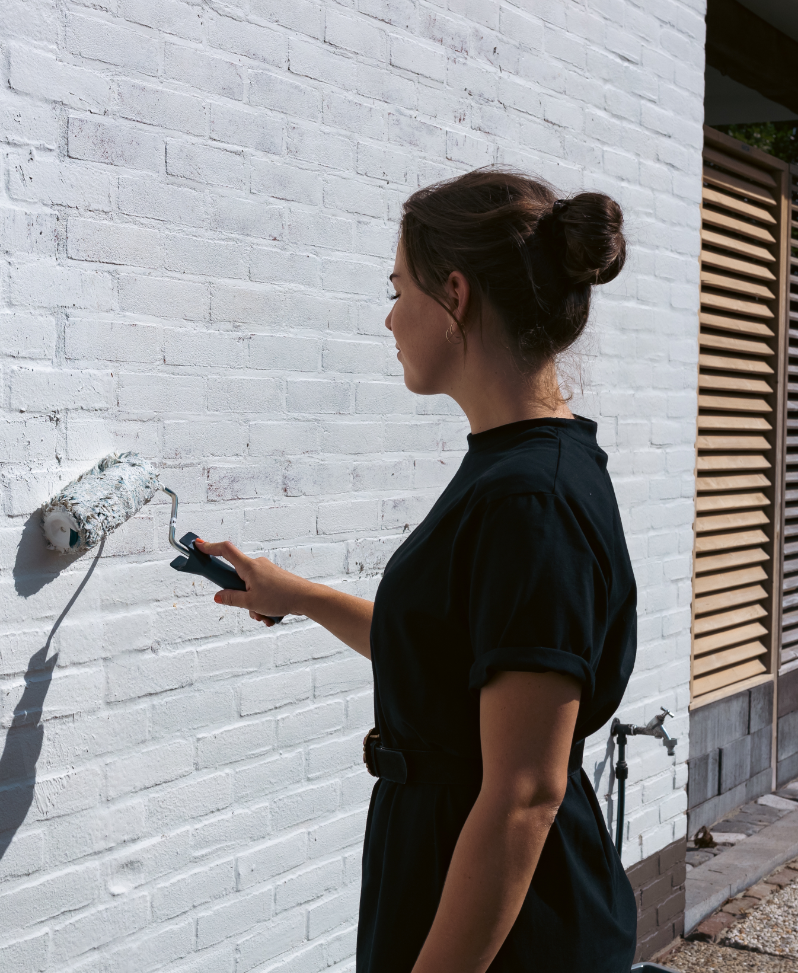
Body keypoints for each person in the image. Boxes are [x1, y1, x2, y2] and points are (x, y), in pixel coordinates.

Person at [194, 167, 640, 972]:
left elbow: (522, 796)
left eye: (398, 288)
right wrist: (300, 597)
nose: (390, 316)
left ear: (456, 297)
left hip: (504, 924)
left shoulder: (530, 502)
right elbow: (455, 655)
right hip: (449, 873)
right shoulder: (514, 468)